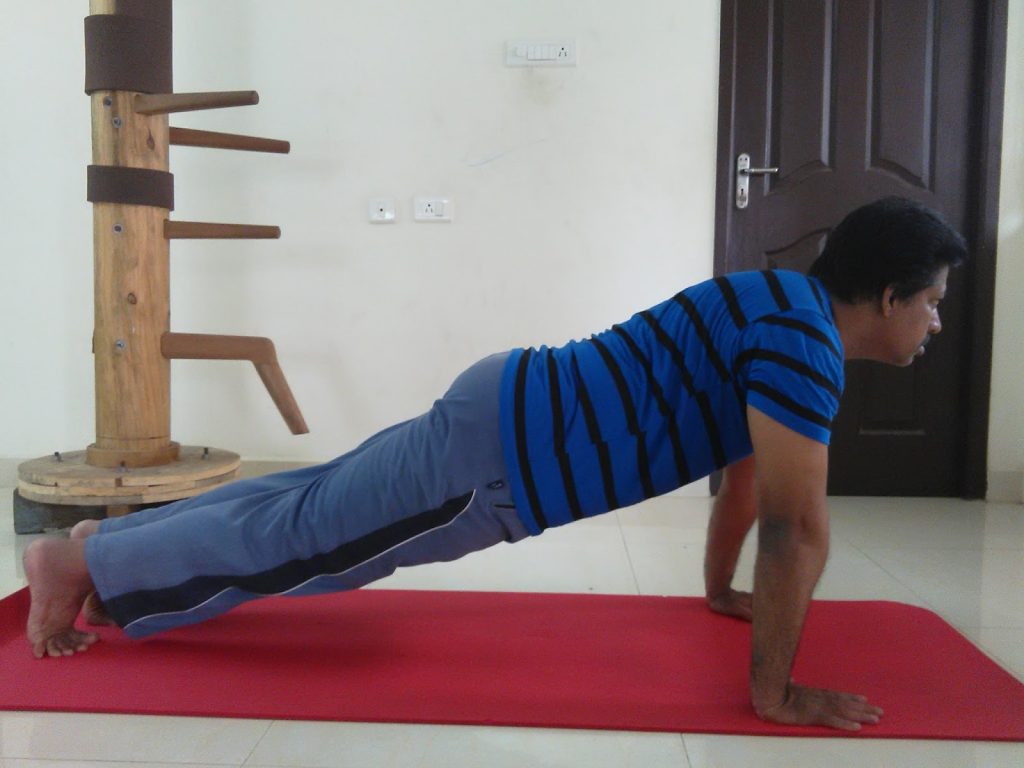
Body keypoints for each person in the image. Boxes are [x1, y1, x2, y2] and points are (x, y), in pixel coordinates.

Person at [23, 196, 967, 731]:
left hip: (509, 402)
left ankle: (111, 548)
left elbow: (750, 478)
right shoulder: (804, 349)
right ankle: (76, 565)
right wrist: (775, 694)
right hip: (508, 462)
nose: (933, 324)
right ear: (887, 297)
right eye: (930, 303)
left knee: (311, 496)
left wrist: (719, 590)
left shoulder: (775, 298)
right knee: (314, 540)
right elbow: (796, 529)